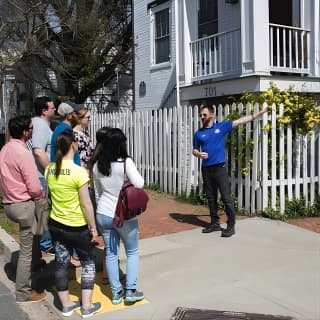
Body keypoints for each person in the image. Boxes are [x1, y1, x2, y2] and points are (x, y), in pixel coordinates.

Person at [45, 129, 101, 317]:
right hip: (77, 227)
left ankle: (67, 305)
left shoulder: (50, 169)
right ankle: (86, 307)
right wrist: (93, 228)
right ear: (73, 145)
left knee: (61, 263)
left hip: (56, 223)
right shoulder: (79, 172)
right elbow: (86, 204)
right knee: (87, 263)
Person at [192, 104, 268, 237]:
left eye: (204, 114)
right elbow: (194, 149)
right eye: (201, 115)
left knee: (226, 198)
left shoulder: (221, 127)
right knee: (211, 198)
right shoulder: (198, 133)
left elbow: (240, 121)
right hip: (206, 169)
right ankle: (215, 224)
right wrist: (199, 154)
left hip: (219, 168)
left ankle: (231, 225)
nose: (202, 117)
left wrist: (260, 112)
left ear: (211, 115)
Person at [93, 128, 145, 305]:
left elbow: (98, 194)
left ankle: (116, 293)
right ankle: (130, 290)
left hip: (103, 213)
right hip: (124, 215)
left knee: (111, 253)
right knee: (132, 252)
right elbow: (140, 183)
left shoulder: (97, 165)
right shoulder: (125, 163)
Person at [0, 115, 46, 302]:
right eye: (31, 128)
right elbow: (34, 187)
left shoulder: (4, 149)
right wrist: (41, 195)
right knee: (26, 252)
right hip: (24, 205)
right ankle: (23, 292)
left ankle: (36, 265)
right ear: (25, 132)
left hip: (9, 204)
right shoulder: (23, 153)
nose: (33, 131)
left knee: (33, 239)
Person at [31, 96, 56, 255]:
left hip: (41, 175)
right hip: (41, 175)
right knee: (44, 211)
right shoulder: (40, 126)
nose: (55, 109)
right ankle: (46, 244)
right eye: (52, 108)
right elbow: (38, 151)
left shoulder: (42, 124)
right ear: (44, 111)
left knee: (44, 210)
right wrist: (50, 171)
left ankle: (45, 242)